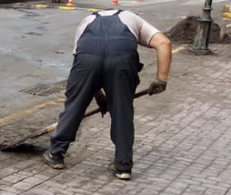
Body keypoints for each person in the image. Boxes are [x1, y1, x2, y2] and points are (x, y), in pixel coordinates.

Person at [42, 9, 172, 180]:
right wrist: (161, 79)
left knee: (75, 105)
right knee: (122, 111)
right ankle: (123, 165)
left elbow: (86, 70)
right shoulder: (132, 18)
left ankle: (56, 154)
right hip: (121, 62)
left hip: (87, 59)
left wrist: (98, 96)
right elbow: (164, 43)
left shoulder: (86, 21)